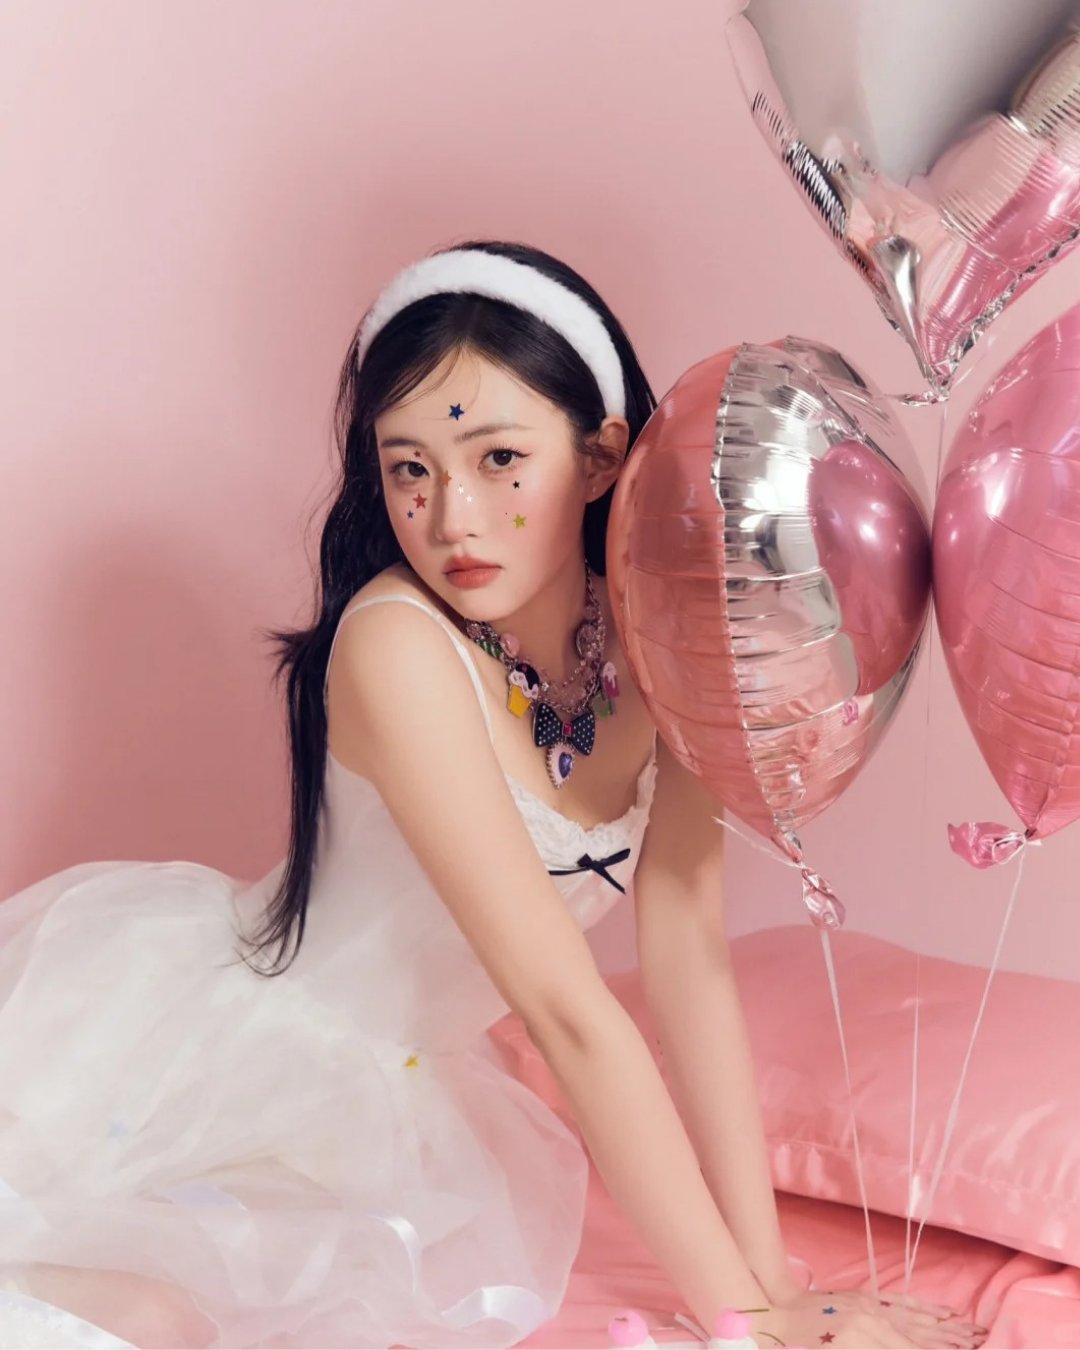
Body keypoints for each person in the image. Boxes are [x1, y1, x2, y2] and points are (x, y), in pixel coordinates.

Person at [0, 241, 986, 1350]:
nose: (452, 518)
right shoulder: (396, 647)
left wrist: (771, 1285)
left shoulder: (665, 638)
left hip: (396, 1093)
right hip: (224, 1068)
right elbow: (564, 1009)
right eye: (409, 469)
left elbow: (686, 952)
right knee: (143, 1314)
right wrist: (743, 1322)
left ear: (602, 456)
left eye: (499, 458)